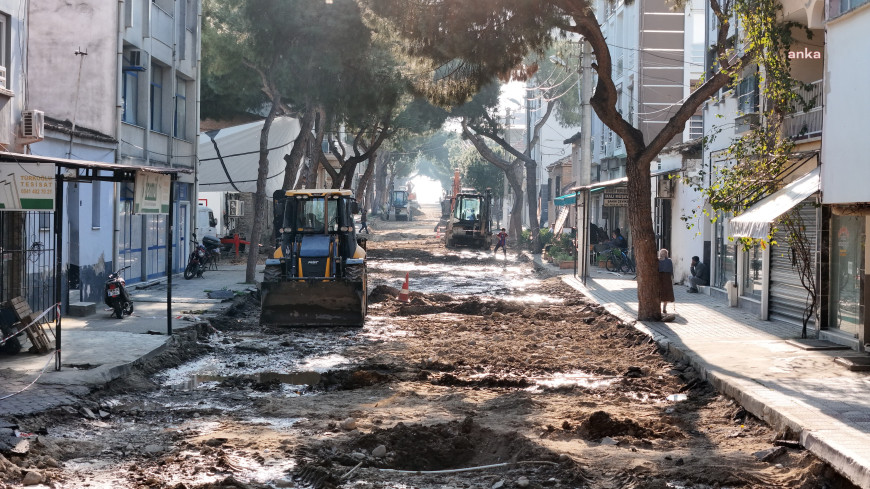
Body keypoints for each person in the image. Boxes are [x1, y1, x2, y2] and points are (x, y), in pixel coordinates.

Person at [658, 248, 675, 315]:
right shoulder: (657, 260)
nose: (663, 254)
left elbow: (671, 270)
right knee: (659, 293)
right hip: (660, 277)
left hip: (667, 278)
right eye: (662, 253)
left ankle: (664, 308)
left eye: (664, 253)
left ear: (666, 254)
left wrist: (672, 278)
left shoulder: (669, 261)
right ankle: (659, 308)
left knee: (666, 293)